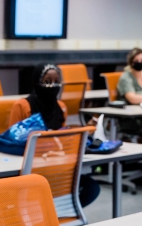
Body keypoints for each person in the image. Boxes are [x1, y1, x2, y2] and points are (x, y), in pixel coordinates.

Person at [9, 64, 100, 207]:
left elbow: (61, 136)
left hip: (57, 164)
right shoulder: (22, 106)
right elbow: (13, 140)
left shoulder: (61, 106)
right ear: (36, 82)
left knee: (92, 188)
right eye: (47, 81)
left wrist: (83, 132)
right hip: (32, 167)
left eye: (56, 81)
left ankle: (58, 214)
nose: (52, 86)